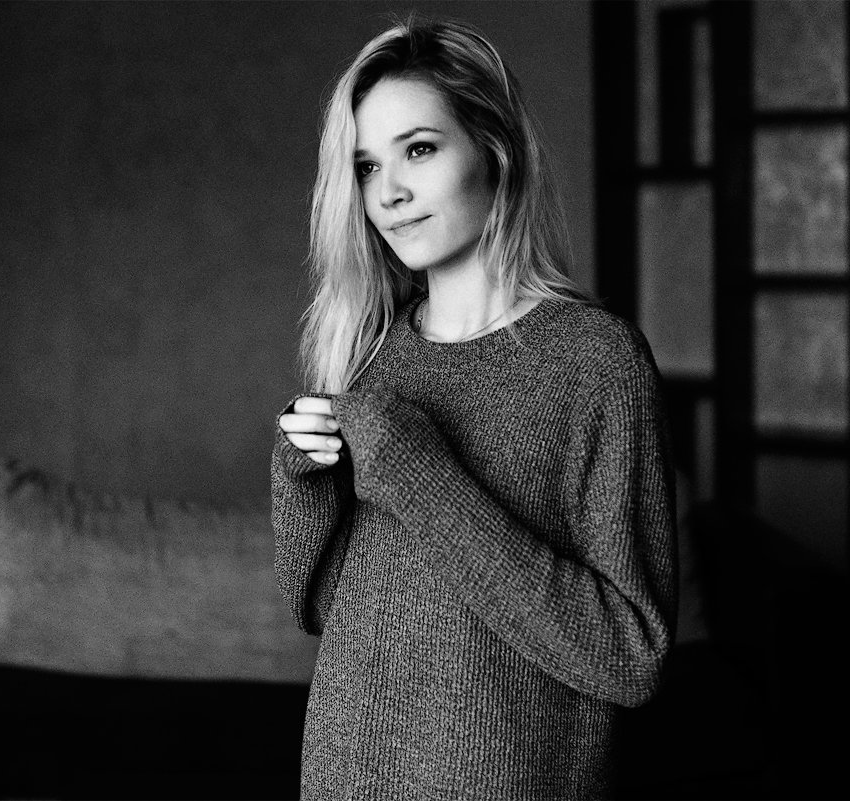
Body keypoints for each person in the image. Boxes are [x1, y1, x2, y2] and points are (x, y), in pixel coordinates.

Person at [271, 16, 678, 800]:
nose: (388, 192)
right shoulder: (371, 355)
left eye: (419, 149)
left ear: (495, 149)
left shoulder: (595, 361)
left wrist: (421, 475)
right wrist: (302, 480)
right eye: (365, 165)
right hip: (343, 776)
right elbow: (326, 609)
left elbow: (631, 657)